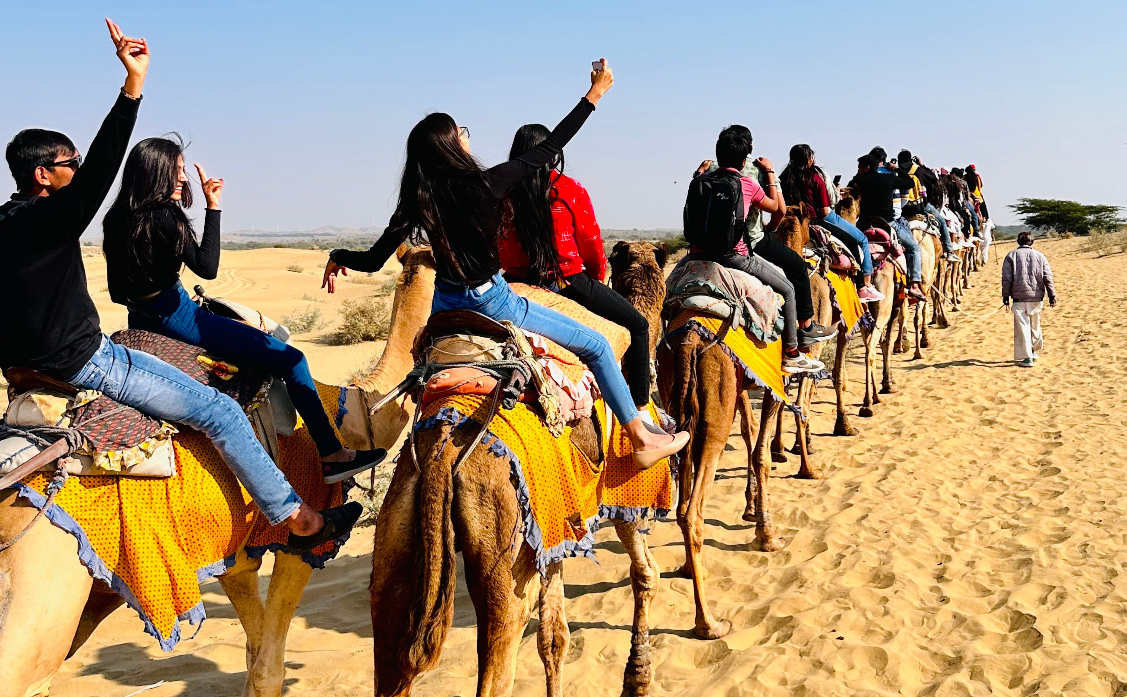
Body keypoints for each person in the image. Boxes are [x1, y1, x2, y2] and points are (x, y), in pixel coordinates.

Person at [0, 20, 361, 551]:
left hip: (29, 368)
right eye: (69, 164)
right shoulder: (47, 219)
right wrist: (132, 86)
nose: (78, 171)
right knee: (221, 411)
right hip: (83, 359)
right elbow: (107, 172)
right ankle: (301, 522)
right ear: (42, 176)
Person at [323, 59, 687, 469]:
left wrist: (338, 258)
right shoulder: (487, 183)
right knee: (599, 346)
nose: (466, 136)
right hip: (493, 302)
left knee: (424, 370)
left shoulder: (417, 200)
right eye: (460, 131)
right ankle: (640, 437)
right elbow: (549, 149)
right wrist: (594, 96)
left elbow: (372, 260)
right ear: (450, 145)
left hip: (444, 305)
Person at [103, 136, 387, 483]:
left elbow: (118, 292)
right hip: (180, 316)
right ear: (155, 172)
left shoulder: (114, 219)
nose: (182, 178)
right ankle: (332, 454)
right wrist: (213, 205)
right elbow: (207, 267)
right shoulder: (165, 217)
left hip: (139, 318)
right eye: (176, 171)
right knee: (293, 360)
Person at [497, 123, 660, 430]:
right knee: (638, 326)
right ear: (553, 154)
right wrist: (595, 281)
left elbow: (499, 246)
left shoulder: (504, 192)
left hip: (512, 284)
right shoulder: (568, 189)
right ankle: (641, 411)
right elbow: (591, 245)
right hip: (568, 281)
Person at [687, 125, 833, 372]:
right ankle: (792, 352)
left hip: (699, 254)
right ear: (746, 157)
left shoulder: (701, 178)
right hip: (736, 255)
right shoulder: (748, 180)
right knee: (787, 288)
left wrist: (698, 172)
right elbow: (778, 208)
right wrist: (771, 174)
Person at [779, 144, 883, 302]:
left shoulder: (784, 177)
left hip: (790, 222)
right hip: (814, 220)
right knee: (860, 240)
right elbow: (824, 212)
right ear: (808, 160)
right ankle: (863, 285)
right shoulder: (815, 178)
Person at [847, 148, 927, 301]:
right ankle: (915, 285)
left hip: (864, 224)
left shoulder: (859, 181)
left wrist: (858, 176)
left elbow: (851, 185)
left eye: (860, 167)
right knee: (914, 248)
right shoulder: (889, 178)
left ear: (867, 168)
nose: (858, 171)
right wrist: (896, 169)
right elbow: (910, 182)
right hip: (887, 224)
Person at [1002, 232, 1056, 367]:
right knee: (1035, 326)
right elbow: (1047, 277)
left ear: (1018, 242)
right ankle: (1033, 351)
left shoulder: (1011, 256)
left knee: (1023, 328)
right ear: (1032, 242)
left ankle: (1028, 358)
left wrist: (1005, 296)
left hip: (1019, 298)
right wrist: (1052, 295)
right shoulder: (1040, 256)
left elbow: (1006, 279)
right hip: (1036, 297)